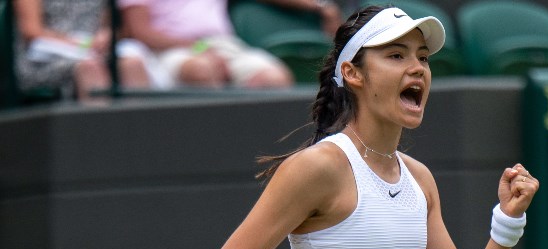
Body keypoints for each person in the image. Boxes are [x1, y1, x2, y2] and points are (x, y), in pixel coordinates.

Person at [202, 5, 539, 249]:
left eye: (422, 57)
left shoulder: (420, 180)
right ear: (353, 73)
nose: (418, 67)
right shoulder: (320, 167)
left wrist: (507, 224)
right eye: (396, 55)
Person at [118, 0, 341, 89]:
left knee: (273, 78)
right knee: (201, 71)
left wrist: (320, 6)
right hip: (167, 50)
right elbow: (140, 31)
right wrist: (198, 49)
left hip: (224, 45)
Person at [13, 0, 151, 102]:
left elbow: (112, 26)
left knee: (133, 65)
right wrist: (81, 44)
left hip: (92, 51)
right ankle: (100, 135)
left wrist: (106, 36)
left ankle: (139, 135)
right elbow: (31, 31)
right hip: (42, 60)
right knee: (90, 67)